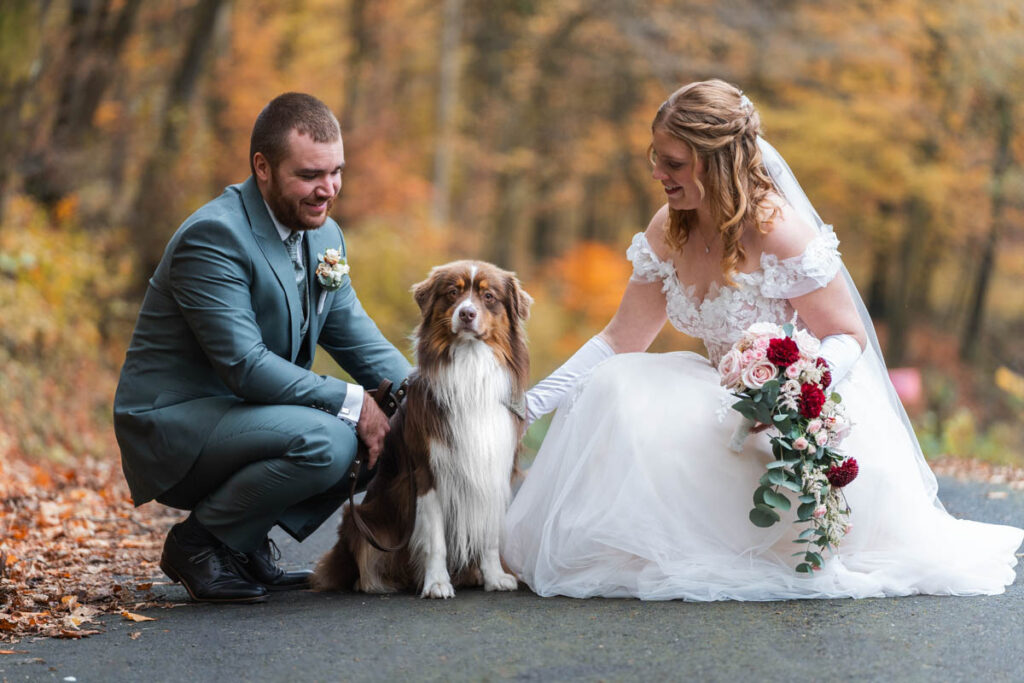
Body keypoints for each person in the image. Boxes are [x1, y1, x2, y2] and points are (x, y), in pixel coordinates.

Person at [504, 79, 1023, 600]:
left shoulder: (778, 230)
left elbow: (846, 335)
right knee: (618, 385)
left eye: (673, 163)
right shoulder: (670, 227)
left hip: (785, 411)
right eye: (655, 158)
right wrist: (525, 407)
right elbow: (619, 340)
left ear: (715, 162)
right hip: (714, 395)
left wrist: (792, 395)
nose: (658, 173)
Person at [113, 93, 411, 603]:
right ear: (263, 167)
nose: (328, 189)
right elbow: (245, 366)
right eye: (310, 175)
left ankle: (241, 540)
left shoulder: (324, 236)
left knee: (395, 430)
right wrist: (354, 402)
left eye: (336, 172)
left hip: (249, 417)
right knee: (331, 439)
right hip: (177, 424)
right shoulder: (214, 236)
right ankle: (198, 544)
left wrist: (429, 398)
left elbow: (359, 338)